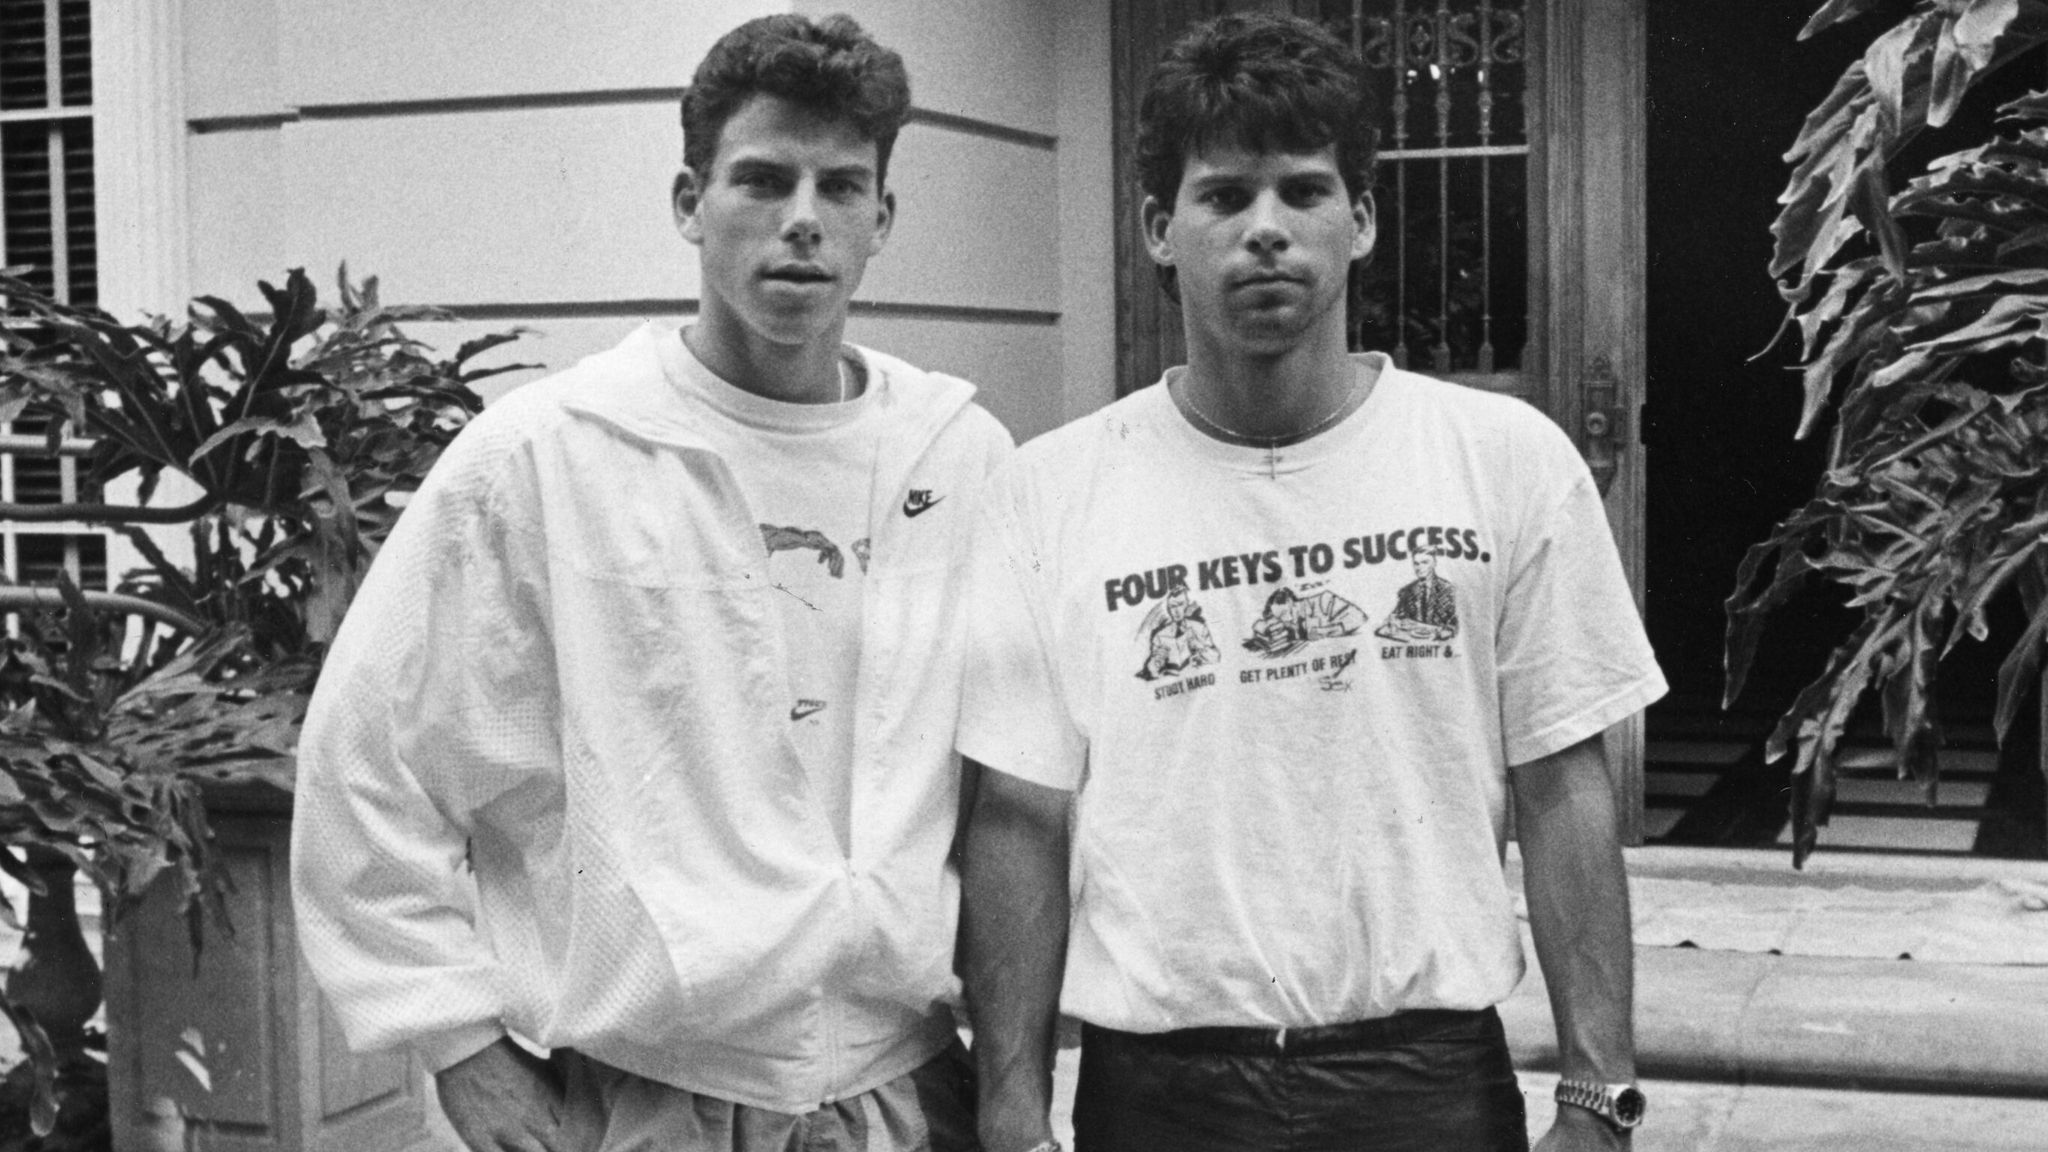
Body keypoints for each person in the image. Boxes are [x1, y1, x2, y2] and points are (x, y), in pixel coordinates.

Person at [290, 14, 1010, 1152]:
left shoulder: (955, 458)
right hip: (639, 1094)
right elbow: (367, 759)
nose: (802, 223)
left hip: (902, 1091)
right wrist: (456, 1045)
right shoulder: (553, 452)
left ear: (882, 217)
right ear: (689, 202)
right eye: (761, 182)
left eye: (840, 187)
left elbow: (1013, 783)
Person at [958, 12, 1663, 1152]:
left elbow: (1561, 782)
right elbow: (1017, 823)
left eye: (1302, 192)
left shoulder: (1500, 460)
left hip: (1424, 1086)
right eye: (1224, 197)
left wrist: (1597, 1095)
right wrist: (1008, 1116)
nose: (1266, 232)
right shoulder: (1051, 492)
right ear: (1155, 228)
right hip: (1158, 1094)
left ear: (1363, 219)